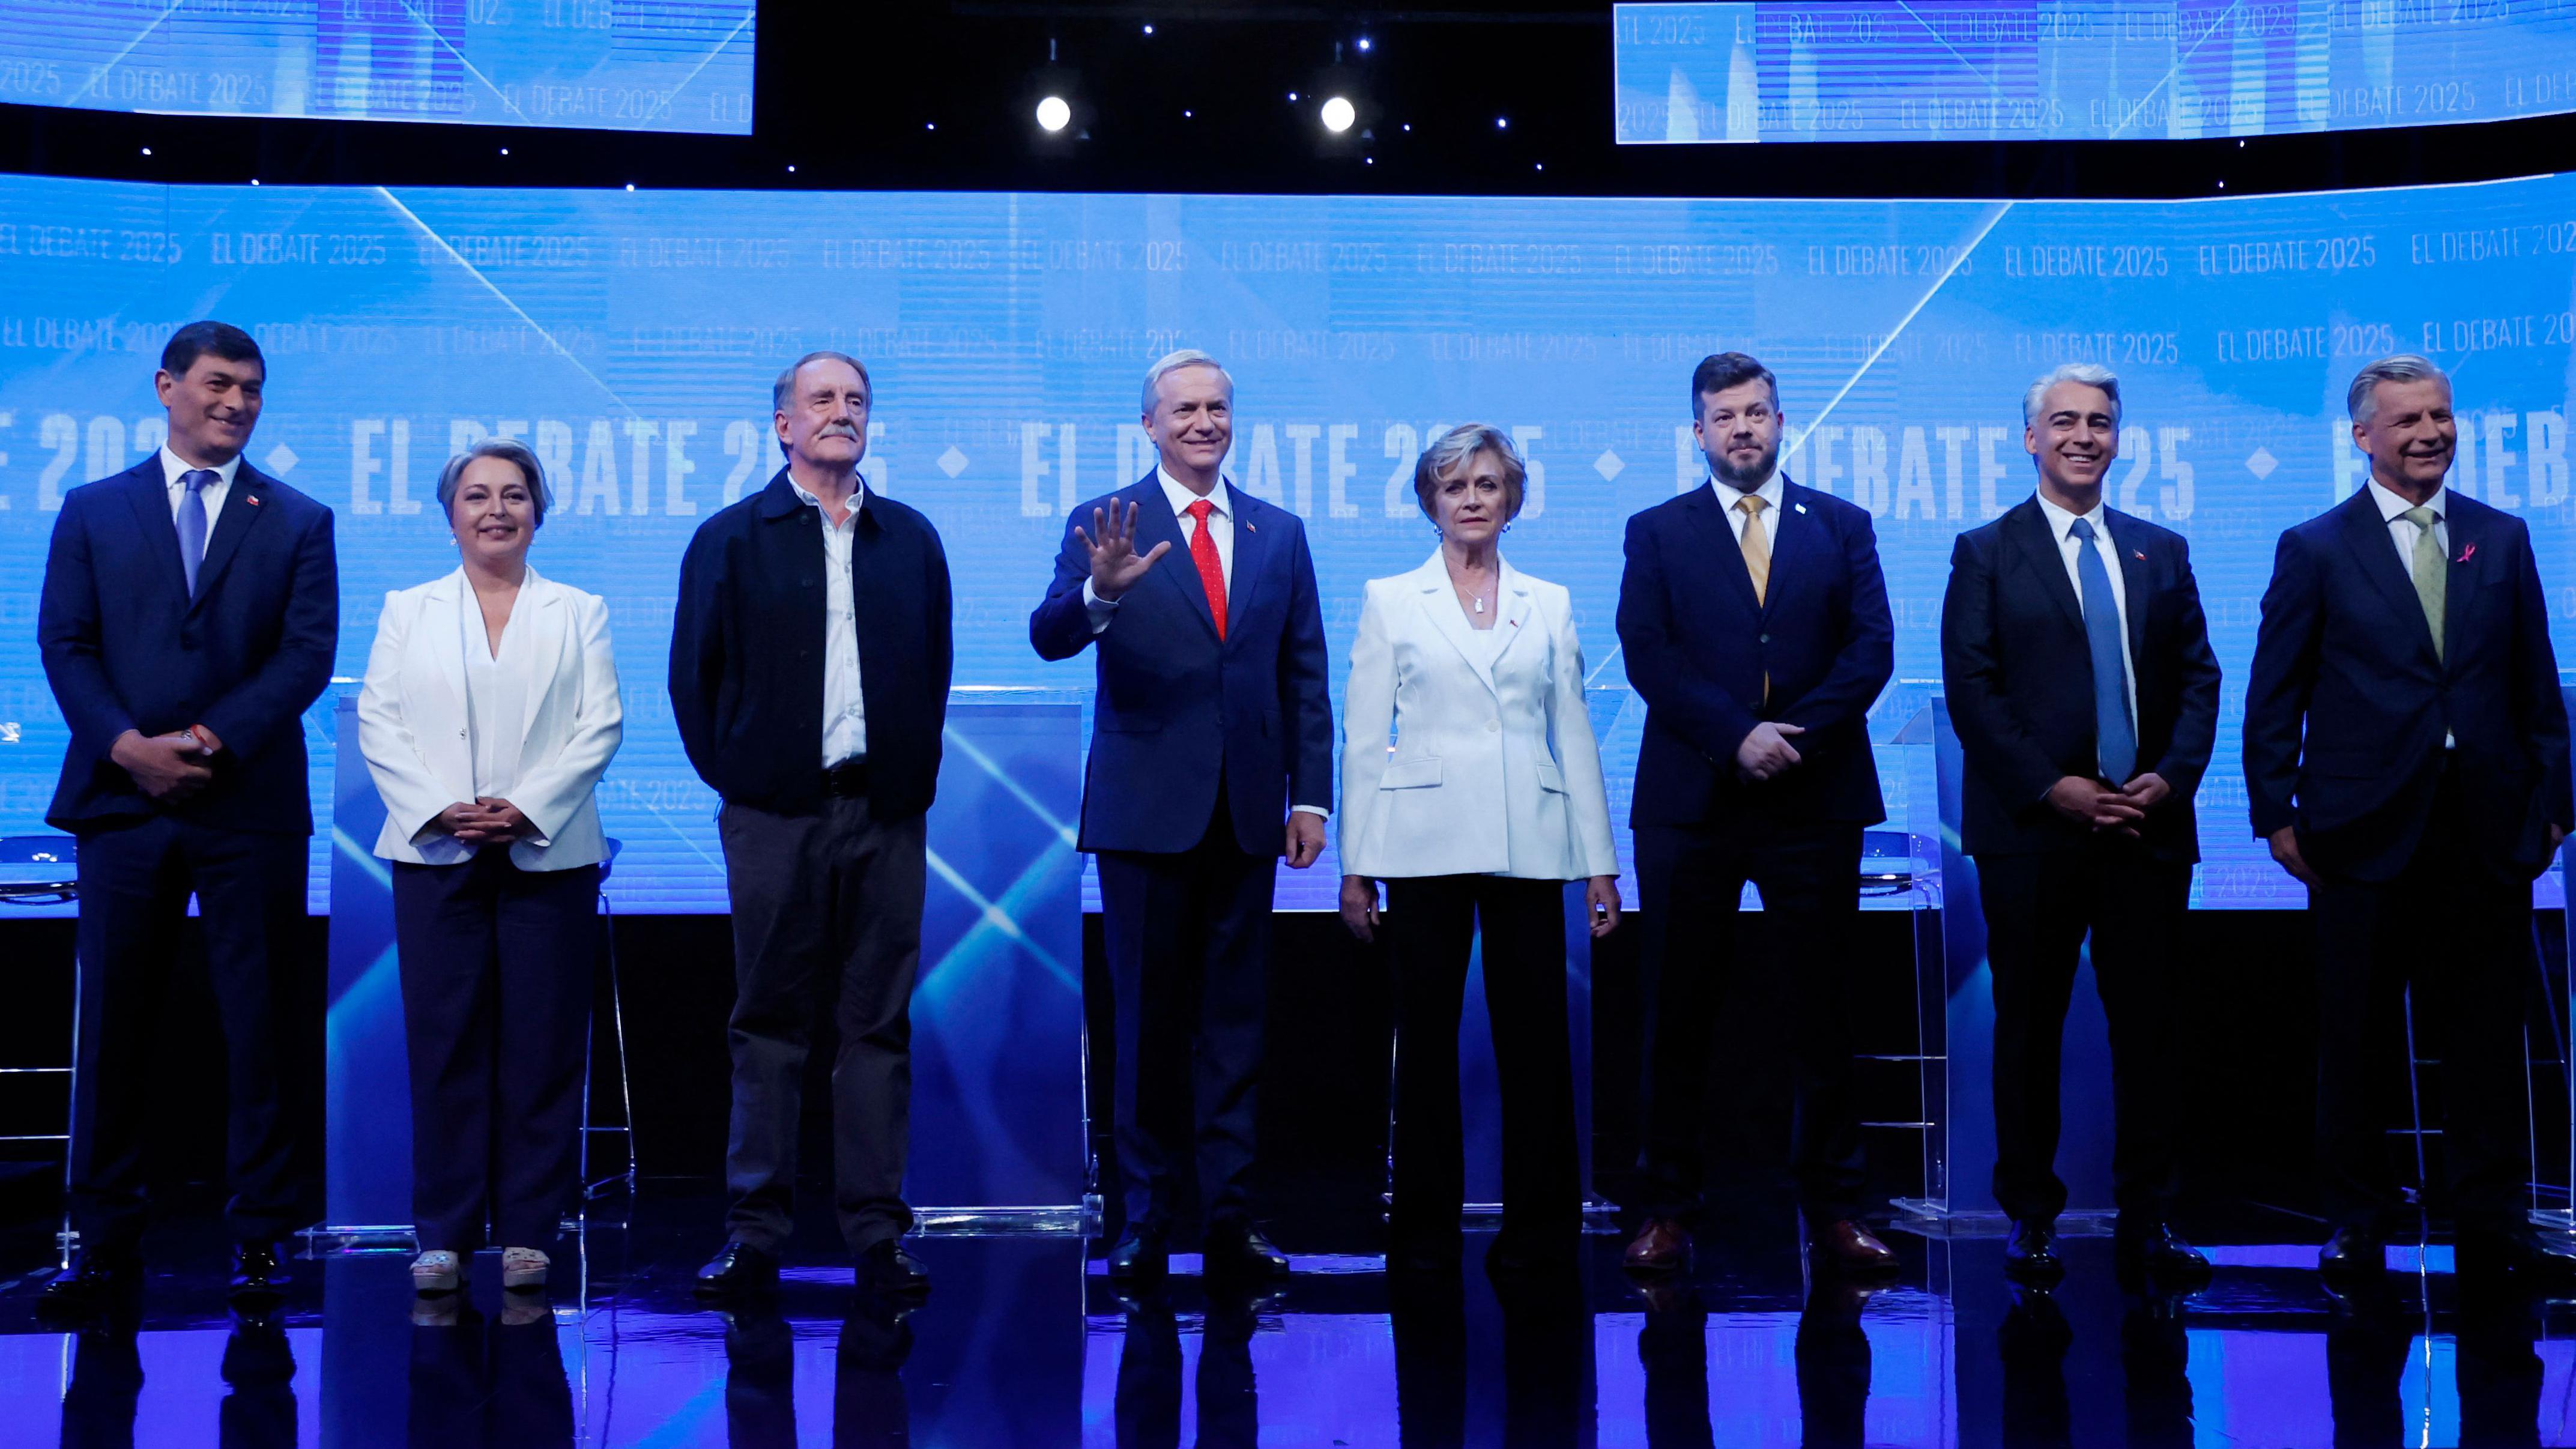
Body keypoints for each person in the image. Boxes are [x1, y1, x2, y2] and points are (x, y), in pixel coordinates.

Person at [2245, 354, 2576, 1281]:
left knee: (2482, 1035)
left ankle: (2492, 1214)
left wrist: (2555, 804)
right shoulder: (2313, 547)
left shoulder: (2501, 539)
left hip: (2485, 829)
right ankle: (2356, 1216)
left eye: (2440, 415)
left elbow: (2532, 683)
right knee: (2354, 1037)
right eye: (2408, 420)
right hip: (2356, 833)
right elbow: (2275, 695)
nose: (2430, 432)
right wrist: (2275, 811)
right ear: (2362, 437)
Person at [35, 321, 337, 1316]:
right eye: (218, 384)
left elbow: (303, 657)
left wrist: (206, 742)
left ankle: (260, 1238)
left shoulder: (297, 517)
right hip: (121, 802)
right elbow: (66, 644)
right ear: (167, 386)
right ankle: (103, 1239)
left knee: (258, 1025)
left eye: (252, 388)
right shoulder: (92, 509)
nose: (237, 402)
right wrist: (129, 748)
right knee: (115, 1023)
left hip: (245, 803)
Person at [1029, 348, 1333, 1281]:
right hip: (1142, 816)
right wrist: (1100, 592)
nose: (1203, 422)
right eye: (1184, 410)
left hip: (1246, 811)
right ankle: (1146, 1218)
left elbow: (1303, 673)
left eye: (1216, 408)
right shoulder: (1104, 521)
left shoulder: (1277, 532)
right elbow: (1048, 635)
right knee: (1148, 1026)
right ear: (1150, 424)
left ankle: (1232, 1217)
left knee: (1235, 1025)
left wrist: (1310, 793)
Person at [670, 351, 954, 1298]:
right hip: (774, 818)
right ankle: (756, 1234)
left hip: (883, 817)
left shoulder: (909, 538)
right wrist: (751, 778)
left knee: (876, 1027)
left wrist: (904, 778)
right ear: (783, 425)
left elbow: (932, 670)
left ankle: (876, 1232)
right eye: (821, 400)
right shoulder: (732, 538)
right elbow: (694, 682)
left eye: (856, 401)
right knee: (769, 1027)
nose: (842, 413)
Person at [1615, 350, 1898, 1278]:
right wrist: (1734, 735)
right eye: (1724, 416)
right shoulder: (1655, 530)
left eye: (1757, 413)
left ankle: (1836, 1209)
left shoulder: (1842, 525)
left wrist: (1796, 737)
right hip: (1692, 799)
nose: (1743, 428)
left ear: (1782, 423)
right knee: (1675, 1010)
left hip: (1811, 798)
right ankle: (1663, 1209)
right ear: (1697, 432)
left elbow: (1870, 650)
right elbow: (1647, 653)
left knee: (1821, 1012)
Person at [1938, 363, 2219, 1288]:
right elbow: (1972, 691)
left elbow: (2198, 680)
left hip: (2144, 828)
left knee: (2153, 1031)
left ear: (2115, 437)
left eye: (2098, 422)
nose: (2081, 436)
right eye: (2063, 422)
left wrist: (2169, 779)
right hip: (2034, 830)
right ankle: (2029, 1214)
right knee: (2028, 1027)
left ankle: (2151, 1215)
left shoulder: (2159, 550)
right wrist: (2050, 786)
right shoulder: (1983, 551)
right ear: (2029, 439)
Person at [1334, 423, 1621, 1278]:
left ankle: (1541, 1226)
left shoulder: (1551, 601)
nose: (1470, 499)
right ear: (1429, 501)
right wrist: (1356, 861)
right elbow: (1360, 736)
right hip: (1421, 843)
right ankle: (1420, 1226)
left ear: (1511, 500)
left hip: (1530, 842)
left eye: (1487, 485)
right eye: (1454, 486)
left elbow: (1572, 733)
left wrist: (1599, 861)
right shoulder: (1391, 598)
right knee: (1423, 1042)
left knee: (1535, 1041)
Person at [357, 438, 623, 1296]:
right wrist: (441, 808)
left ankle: (528, 1232)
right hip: (437, 853)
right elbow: (380, 720)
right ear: (450, 515)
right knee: (445, 1047)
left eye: (515, 494)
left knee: (542, 1049)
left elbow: (600, 725)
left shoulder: (579, 608)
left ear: (538, 512)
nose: (496, 509)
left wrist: (525, 807)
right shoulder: (408, 608)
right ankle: (440, 1232)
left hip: (548, 854)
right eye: (477, 495)